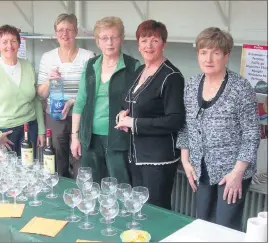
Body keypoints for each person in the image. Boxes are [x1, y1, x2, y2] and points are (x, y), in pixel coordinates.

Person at [176, 27, 260, 230]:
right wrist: (185, 160)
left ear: (226, 56)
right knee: (203, 222)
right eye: (203, 52)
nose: (208, 58)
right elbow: (186, 126)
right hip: (200, 168)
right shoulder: (192, 84)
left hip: (231, 171)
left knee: (225, 226)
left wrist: (238, 173)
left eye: (215, 53)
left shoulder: (240, 88)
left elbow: (252, 134)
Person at [115, 20, 185, 210]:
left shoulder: (172, 76)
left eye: (155, 40)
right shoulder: (141, 70)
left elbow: (175, 120)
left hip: (158, 159)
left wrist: (134, 123)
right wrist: (123, 116)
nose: (148, 45)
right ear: (138, 44)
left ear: (164, 44)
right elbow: (128, 102)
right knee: (140, 209)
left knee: (156, 210)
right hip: (136, 155)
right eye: (144, 40)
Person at [71, 17, 140, 184]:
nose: (109, 42)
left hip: (118, 138)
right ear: (97, 42)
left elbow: (138, 104)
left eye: (114, 37)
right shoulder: (90, 65)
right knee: (91, 186)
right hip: (90, 138)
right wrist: (75, 136)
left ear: (122, 38)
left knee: (120, 186)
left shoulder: (133, 66)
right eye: (104, 38)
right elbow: (80, 101)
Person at [37, 13, 95, 178]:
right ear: (56, 34)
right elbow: (41, 94)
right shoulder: (47, 58)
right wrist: (49, 81)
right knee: (56, 162)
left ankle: (79, 196)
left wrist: (71, 102)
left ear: (76, 32)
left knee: (80, 159)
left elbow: (91, 93)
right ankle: (59, 196)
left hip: (81, 116)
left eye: (69, 29)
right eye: (60, 30)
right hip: (55, 118)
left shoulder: (88, 57)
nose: (65, 34)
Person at [0, 25, 45, 156]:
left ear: (19, 44)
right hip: (2, 132)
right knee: (3, 173)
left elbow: (36, 100)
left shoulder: (28, 66)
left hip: (28, 129)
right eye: (4, 42)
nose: (9, 45)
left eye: (13, 41)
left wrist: (41, 130)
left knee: (27, 171)